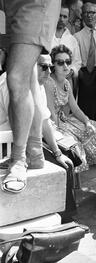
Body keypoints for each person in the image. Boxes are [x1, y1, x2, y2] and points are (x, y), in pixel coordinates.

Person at [0, 53, 76, 221]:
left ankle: (65, 217)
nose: (49, 72)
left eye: (50, 67)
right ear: (29, 64)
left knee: (68, 158)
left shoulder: (37, 83)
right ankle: (65, 220)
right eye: (44, 67)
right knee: (63, 165)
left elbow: (44, 120)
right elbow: (18, 125)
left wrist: (57, 153)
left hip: (28, 142)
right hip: (8, 147)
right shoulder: (11, 83)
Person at [0, 0, 64, 194]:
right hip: (8, 5)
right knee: (26, 74)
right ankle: (34, 151)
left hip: (35, 3)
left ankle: (19, 158)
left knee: (16, 77)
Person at [44, 45, 96, 173]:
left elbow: (75, 109)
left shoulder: (66, 83)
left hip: (65, 120)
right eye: (60, 62)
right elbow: (51, 114)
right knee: (74, 143)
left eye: (68, 62)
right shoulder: (48, 82)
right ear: (53, 64)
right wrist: (61, 133)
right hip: (53, 124)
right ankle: (73, 183)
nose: (65, 66)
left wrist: (87, 122)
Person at [74, 2, 96, 122]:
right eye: (86, 13)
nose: (89, 15)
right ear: (82, 15)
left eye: (92, 12)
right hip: (85, 74)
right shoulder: (77, 36)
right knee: (87, 108)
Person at [52, 3, 82, 97]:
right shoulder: (47, 36)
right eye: (59, 15)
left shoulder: (72, 40)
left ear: (68, 18)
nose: (61, 19)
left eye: (64, 16)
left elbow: (77, 61)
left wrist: (72, 71)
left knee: (67, 108)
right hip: (48, 79)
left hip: (66, 80)